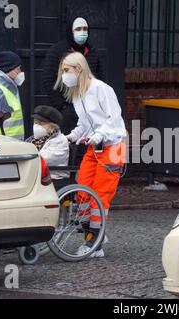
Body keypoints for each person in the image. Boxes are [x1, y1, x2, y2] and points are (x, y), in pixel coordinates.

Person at [54, 52, 127, 258]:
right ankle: (93, 236)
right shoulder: (79, 93)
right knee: (83, 193)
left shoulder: (101, 89)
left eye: (66, 70)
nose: (64, 74)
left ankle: (95, 243)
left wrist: (99, 135)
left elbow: (114, 119)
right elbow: (84, 124)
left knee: (100, 197)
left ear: (79, 69)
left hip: (112, 147)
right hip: (95, 147)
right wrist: (70, 137)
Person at [42, 16, 105, 135]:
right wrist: (62, 107)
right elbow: (48, 80)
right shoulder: (57, 51)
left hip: (89, 108)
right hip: (68, 110)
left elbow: (100, 77)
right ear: (71, 31)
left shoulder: (92, 51)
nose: (82, 32)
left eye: (85, 29)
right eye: (78, 29)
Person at [28, 105, 69, 188]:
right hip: (35, 176)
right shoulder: (33, 139)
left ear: (52, 127)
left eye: (40, 124)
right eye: (35, 123)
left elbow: (43, 159)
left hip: (52, 178)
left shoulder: (60, 140)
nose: (36, 126)